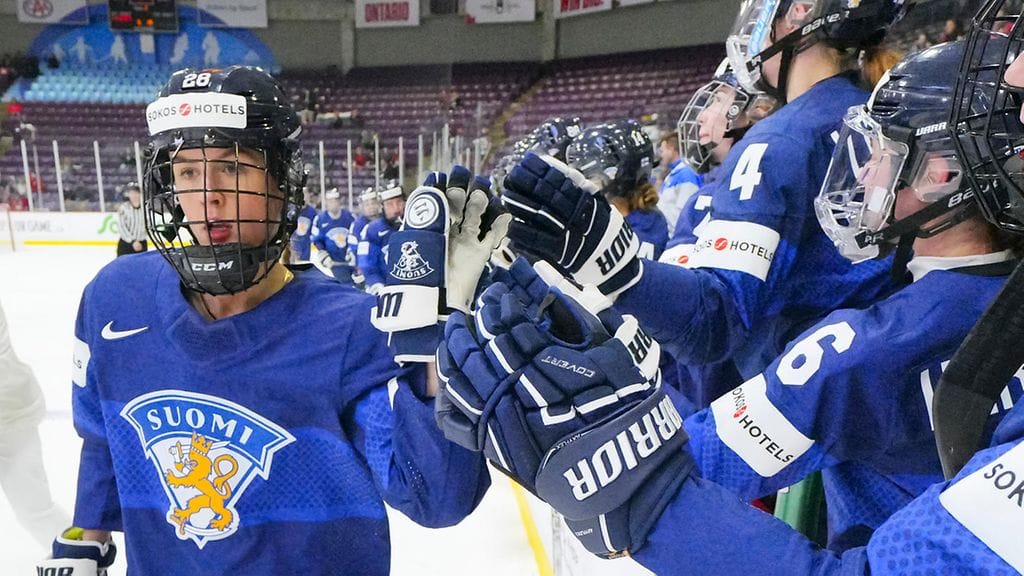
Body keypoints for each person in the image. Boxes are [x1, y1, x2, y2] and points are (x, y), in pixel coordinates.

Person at [435, 19, 1024, 572]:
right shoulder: (954, 307)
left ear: (941, 174)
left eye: (885, 154)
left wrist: (596, 461)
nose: (865, 173)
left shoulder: (873, 347)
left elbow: (699, 459)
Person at [36, 66, 488, 576]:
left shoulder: (350, 330)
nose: (208, 195)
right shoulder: (115, 298)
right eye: (186, 172)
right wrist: (85, 538)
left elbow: (435, 499)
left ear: (282, 181)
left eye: (231, 168)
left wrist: (437, 349)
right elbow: (103, 436)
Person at [500, 0, 908, 390]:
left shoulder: (782, 140)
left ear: (800, 12)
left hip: (820, 419)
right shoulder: (889, 111)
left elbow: (712, 325)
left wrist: (617, 268)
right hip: (887, 386)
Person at [0, 298, 69, 548]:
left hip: (10, 415)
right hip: (15, 407)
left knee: (35, 510)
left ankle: (81, 559)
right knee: (36, 511)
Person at [564, 120, 668, 261]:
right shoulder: (646, 217)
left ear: (614, 173)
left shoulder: (640, 228)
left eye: (589, 175)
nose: (584, 182)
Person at [357, 182, 405, 294]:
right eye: (390, 204)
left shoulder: (416, 226)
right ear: (382, 207)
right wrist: (377, 285)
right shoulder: (371, 230)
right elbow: (367, 265)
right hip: (384, 288)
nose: (396, 208)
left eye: (399, 203)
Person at [656, 132, 702, 237]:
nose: (661, 155)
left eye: (662, 151)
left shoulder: (686, 174)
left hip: (681, 240)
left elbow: (685, 216)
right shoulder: (674, 174)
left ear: (671, 149)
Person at [311, 188, 356, 283]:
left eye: (335, 201)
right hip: (332, 263)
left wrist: (353, 252)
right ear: (326, 202)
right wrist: (323, 255)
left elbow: (356, 237)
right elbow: (317, 241)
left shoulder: (350, 217)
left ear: (339, 202)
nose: (333, 203)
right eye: (330, 201)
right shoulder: (320, 219)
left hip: (350, 262)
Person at [115, 182, 147, 257]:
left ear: (140, 194)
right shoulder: (124, 208)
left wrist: (140, 240)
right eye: (131, 193)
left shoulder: (145, 208)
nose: (134, 195)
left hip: (141, 244)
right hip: (126, 244)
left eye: (136, 193)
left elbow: (147, 225)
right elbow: (121, 226)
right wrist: (133, 241)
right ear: (128, 194)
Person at [289, 190, 318, 264]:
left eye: (306, 195)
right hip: (291, 249)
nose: (305, 197)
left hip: (305, 250)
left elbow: (314, 232)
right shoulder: (291, 210)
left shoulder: (312, 212)